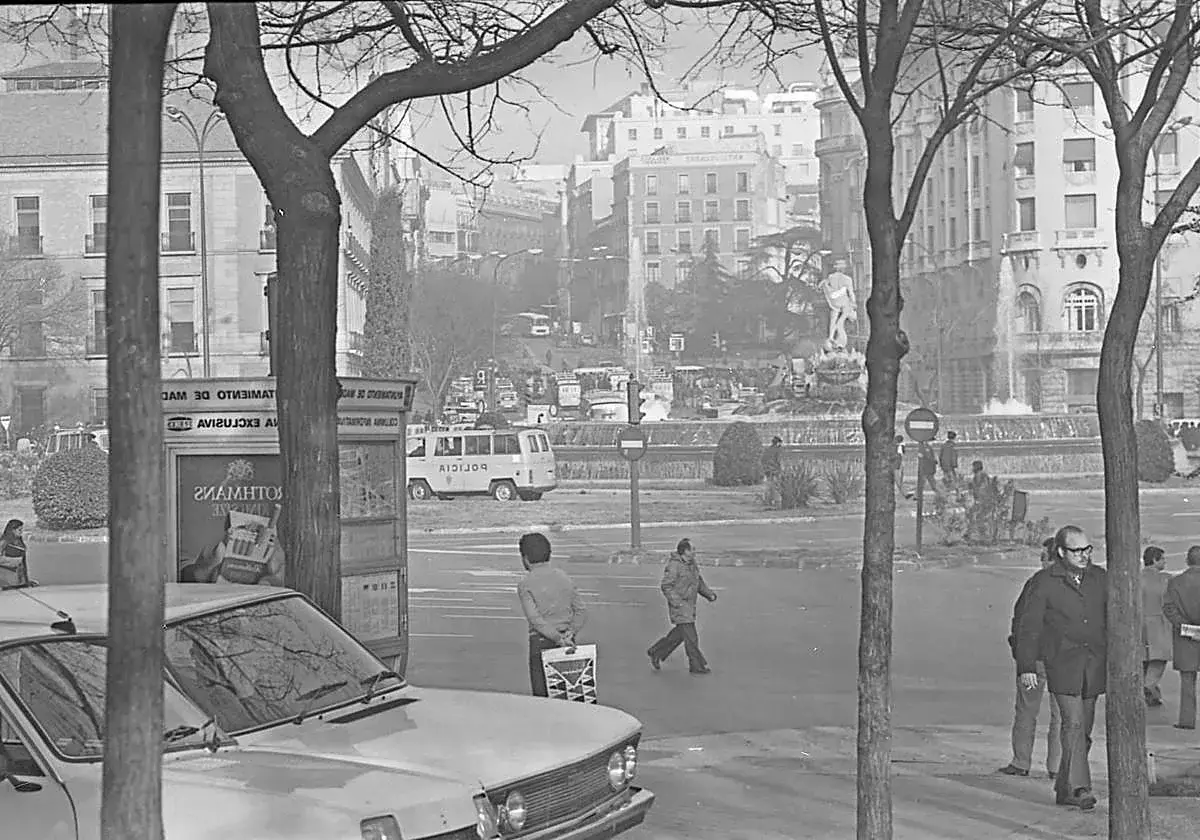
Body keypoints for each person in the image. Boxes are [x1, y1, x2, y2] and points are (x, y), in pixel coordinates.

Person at [1015, 525, 1106, 811]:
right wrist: (1026, 665)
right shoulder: (1044, 582)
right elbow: (1028, 627)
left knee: (1084, 730)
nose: (1083, 556)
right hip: (1062, 664)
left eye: (1087, 549)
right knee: (1074, 724)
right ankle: (1080, 788)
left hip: (1093, 665)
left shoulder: (1100, 578)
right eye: (1076, 551)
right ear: (1060, 552)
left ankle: (1064, 787)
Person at [998, 537, 1062, 779]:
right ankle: (1057, 767)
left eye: (1043, 556)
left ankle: (1021, 761)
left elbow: (1021, 622)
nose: (1040, 560)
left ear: (1050, 558)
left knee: (1026, 710)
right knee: (1062, 715)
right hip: (1063, 661)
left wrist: (1020, 654)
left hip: (1034, 660)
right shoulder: (1078, 583)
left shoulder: (1035, 584)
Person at [515, 532, 587, 698]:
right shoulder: (563, 577)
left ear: (525, 558)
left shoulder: (526, 584)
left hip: (541, 642)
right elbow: (581, 610)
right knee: (569, 691)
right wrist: (570, 633)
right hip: (568, 640)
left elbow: (535, 619)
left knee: (543, 695)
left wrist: (557, 639)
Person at [647, 538, 717, 675]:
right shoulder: (674, 566)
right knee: (691, 637)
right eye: (692, 549)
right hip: (679, 606)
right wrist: (677, 602)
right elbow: (666, 586)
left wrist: (709, 594)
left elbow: (698, 582)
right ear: (685, 551)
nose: (695, 552)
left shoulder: (691, 564)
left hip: (689, 605)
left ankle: (656, 652)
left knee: (679, 635)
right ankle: (696, 665)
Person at [1163, 544, 1200, 730]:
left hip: (1185, 636)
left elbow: (1169, 608)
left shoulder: (1175, 582)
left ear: (1187, 560)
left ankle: (1187, 720)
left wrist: (1185, 626)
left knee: (1187, 681)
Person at [1142, 546, 1173, 708]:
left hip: (1139, 624)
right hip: (1159, 624)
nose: (1165, 562)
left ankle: (1146, 688)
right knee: (1158, 660)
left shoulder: (1136, 577)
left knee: (1143, 660)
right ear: (1155, 560)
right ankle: (1149, 686)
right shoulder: (1165, 579)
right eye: (1163, 559)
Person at [819, 260, 857, 351]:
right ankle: (838, 341)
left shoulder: (831, 277)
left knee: (834, 319)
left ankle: (831, 337)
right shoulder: (847, 279)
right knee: (840, 321)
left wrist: (824, 284)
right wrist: (853, 303)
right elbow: (851, 293)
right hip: (844, 301)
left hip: (834, 301)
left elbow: (823, 285)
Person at [0, 519, 28, 589]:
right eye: (19, 530)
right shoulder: (4, 541)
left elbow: (23, 563)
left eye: (22, 529)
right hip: (7, 580)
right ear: (12, 530)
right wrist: (14, 561)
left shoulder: (19, 541)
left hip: (20, 580)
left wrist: (26, 581)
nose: (21, 532)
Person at [762, 437, 783, 508]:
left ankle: (767, 500)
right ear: (778, 443)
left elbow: (763, 460)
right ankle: (777, 502)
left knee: (768, 486)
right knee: (776, 486)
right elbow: (778, 461)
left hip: (767, 470)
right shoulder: (777, 451)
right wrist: (780, 470)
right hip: (774, 471)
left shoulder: (767, 450)